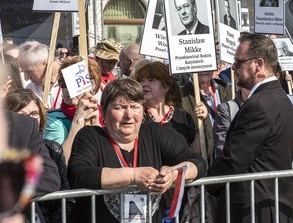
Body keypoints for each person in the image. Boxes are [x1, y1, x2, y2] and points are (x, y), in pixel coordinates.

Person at [67, 78, 207, 223]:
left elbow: (199, 163)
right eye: (119, 107)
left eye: (134, 107)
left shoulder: (155, 133)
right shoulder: (91, 136)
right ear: (103, 111)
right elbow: (78, 174)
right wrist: (133, 175)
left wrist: (173, 174)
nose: (128, 115)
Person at [207, 33, 293, 222]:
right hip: (272, 204)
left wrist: (207, 184)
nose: (234, 68)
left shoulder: (258, 105)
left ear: (258, 64)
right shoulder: (279, 98)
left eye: (239, 62)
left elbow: (234, 160)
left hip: (253, 208)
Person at [4, 88, 74, 221]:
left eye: (34, 113)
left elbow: (49, 179)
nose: (30, 118)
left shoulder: (26, 130)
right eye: (23, 114)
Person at [44, 56, 103, 162]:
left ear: (93, 88)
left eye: (76, 83)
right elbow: (60, 162)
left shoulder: (105, 116)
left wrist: (96, 126)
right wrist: (77, 121)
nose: (69, 90)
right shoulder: (53, 119)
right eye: (64, 83)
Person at [133, 61, 199, 153]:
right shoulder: (136, 115)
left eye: (151, 80)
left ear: (166, 86)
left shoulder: (183, 116)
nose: (144, 84)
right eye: (141, 80)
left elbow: (196, 152)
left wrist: (201, 124)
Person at [181, 71, 232, 165]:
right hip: (202, 165)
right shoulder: (180, 97)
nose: (203, 69)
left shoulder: (228, 91)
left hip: (228, 161)